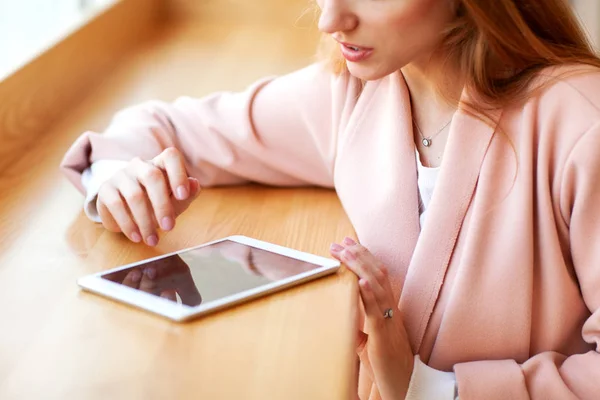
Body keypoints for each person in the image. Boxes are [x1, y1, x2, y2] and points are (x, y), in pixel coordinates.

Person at [60, 0, 600, 398]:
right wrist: (118, 176)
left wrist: (433, 389)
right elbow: (160, 125)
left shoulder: (581, 124)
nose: (329, 19)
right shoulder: (355, 96)